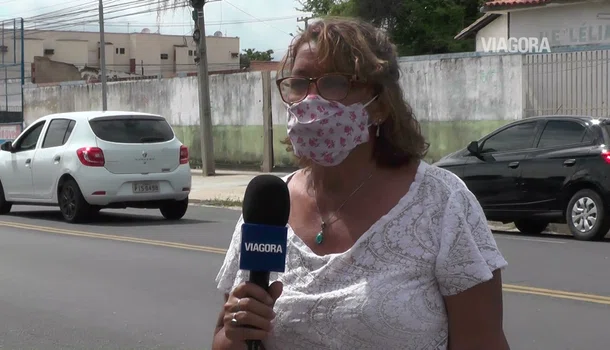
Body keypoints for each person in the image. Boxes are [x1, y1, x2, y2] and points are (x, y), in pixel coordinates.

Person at [212, 16, 510, 350]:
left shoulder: (442, 202)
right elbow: (225, 339)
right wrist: (235, 332)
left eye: (334, 83)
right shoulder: (270, 204)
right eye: (299, 83)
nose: (311, 100)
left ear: (380, 105)